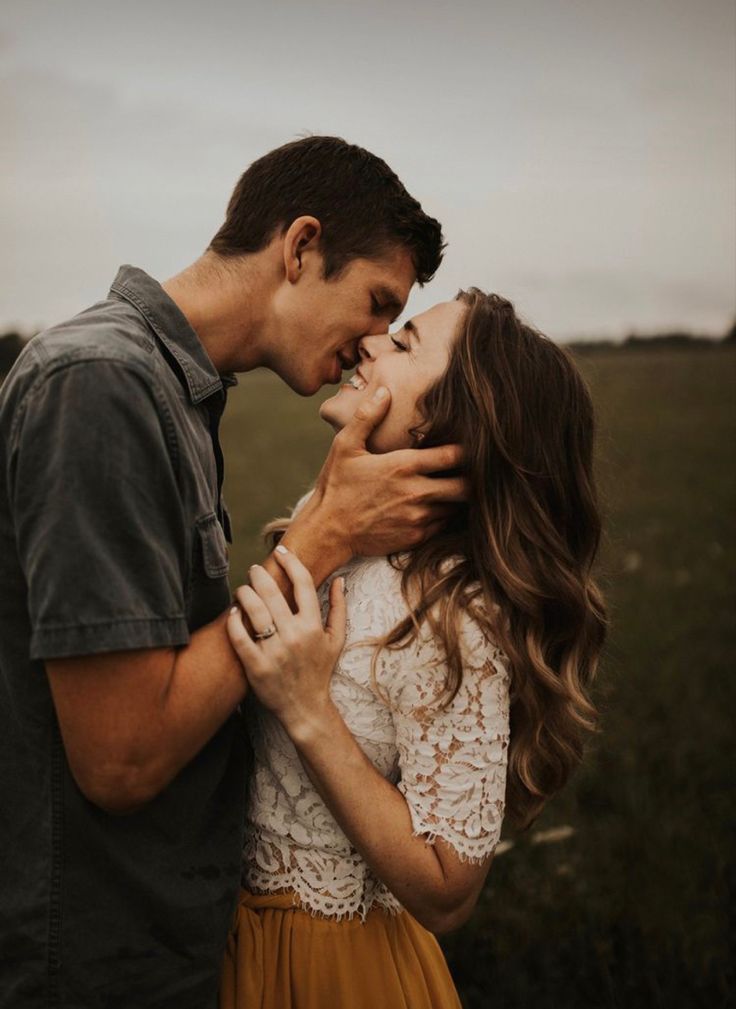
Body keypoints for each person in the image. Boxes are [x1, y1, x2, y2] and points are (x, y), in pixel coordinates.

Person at [0, 137, 465, 1008]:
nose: (372, 345)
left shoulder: (174, 390)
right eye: (376, 302)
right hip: (89, 959)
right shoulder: (102, 384)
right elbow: (123, 759)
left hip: (156, 939)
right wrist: (319, 539)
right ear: (299, 247)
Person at [222, 290, 608, 1009]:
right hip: (233, 938)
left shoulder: (452, 612)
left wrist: (310, 710)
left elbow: (448, 888)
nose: (370, 343)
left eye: (402, 345)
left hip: (335, 964)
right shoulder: (325, 519)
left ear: (449, 418)